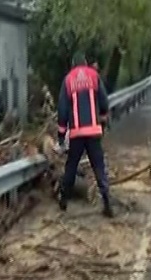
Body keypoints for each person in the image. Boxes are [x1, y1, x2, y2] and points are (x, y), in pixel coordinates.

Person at [57, 52, 114, 218]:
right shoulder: (94, 76)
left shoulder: (68, 80)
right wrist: (102, 121)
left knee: (71, 167)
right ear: (86, 63)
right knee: (99, 167)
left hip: (76, 133)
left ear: (73, 64)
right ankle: (107, 203)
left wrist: (61, 135)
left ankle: (64, 201)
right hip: (93, 131)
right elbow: (104, 102)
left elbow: (62, 110)